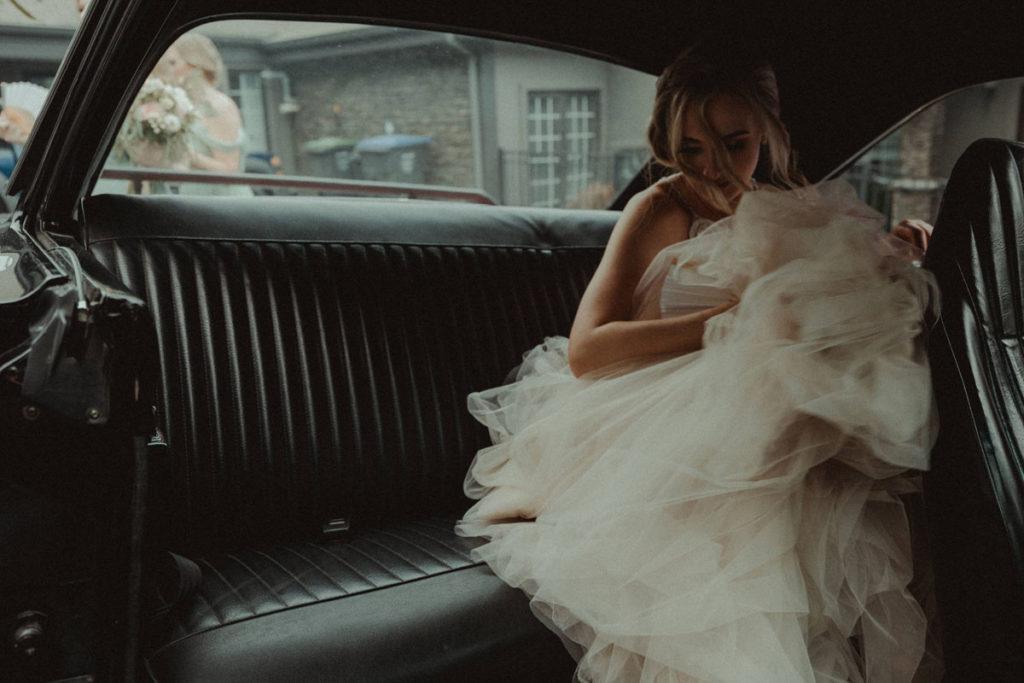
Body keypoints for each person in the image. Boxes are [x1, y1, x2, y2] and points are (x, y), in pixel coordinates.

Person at [456, 43, 942, 682]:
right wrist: (733, 319)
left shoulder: (790, 205)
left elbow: (819, 315)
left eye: (735, 144)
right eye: (692, 149)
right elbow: (587, 349)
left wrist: (898, 252)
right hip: (662, 417)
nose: (714, 167)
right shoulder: (660, 208)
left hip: (774, 420)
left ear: (766, 130)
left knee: (859, 476)